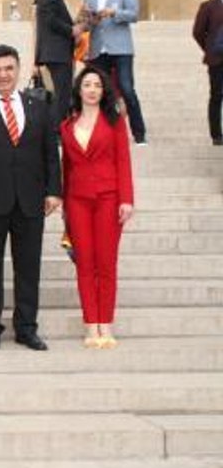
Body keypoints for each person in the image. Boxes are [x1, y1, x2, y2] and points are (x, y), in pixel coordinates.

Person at [0, 45, 61, 351]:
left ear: (17, 70)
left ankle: (26, 328)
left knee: (28, 268)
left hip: (30, 201)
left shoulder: (39, 107)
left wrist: (54, 190)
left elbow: (50, 153)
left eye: (8, 68)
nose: (2, 75)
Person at [60, 66, 135, 348]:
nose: (92, 90)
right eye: (87, 85)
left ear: (104, 91)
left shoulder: (114, 122)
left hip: (109, 199)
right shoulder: (67, 126)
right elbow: (66, 167)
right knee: (85, 264)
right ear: (79, 90)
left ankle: (106, 324)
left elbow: (123, 161)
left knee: (106, 264)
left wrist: (126, 199)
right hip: (77, 201)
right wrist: (64, 205)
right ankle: (91, 325)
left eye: (97, 85)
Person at [83, 0, 147, 145]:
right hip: (98, 50)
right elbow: (86, 25)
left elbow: (134, 14)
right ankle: (103, 133)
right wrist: (89, 19)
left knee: (127, 89)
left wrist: (114, 12)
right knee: (99, 92)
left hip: (121, 49)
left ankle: (139, 133)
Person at [34, 0, 85, 127]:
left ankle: (58, 129)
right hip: (56, 53)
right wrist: (71, 30)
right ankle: (55, 131)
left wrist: (76, 27)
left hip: (58, 52)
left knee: (64, 94)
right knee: (62, 95)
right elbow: (51, 21)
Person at [192, 0, 223, 146]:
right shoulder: (209, 6)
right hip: (217, 60)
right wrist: (209, 49)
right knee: (217, 95)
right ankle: (216, 135)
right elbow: (198, 32)